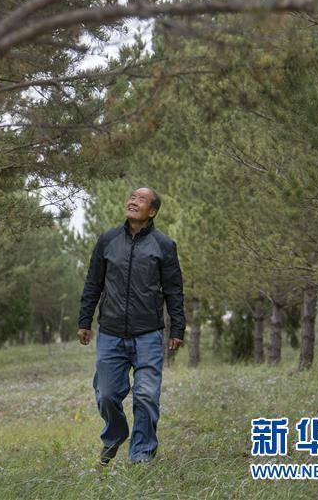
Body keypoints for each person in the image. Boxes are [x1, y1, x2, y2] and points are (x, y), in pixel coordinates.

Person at [77, 187, 185, 466]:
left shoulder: (164, 245)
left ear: (152, 211)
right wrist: (84, 320)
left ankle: (141, 456)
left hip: (148, 334)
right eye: (132, 197)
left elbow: (174, 291)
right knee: (106, 394)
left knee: (147, 396)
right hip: (111, 333)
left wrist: (177, 329)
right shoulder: (108, 240)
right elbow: (93, 283)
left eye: (141, 199)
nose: (133, 202)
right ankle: (115, 435)